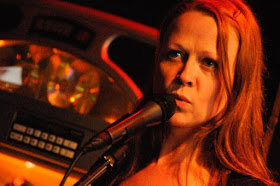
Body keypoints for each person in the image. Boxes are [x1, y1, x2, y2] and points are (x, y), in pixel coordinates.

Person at [95, 0, 279, 185]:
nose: (185, 75)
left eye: (209, 63)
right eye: (175, 54)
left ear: (238, 82)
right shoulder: (119, 159)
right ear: (157, 60)